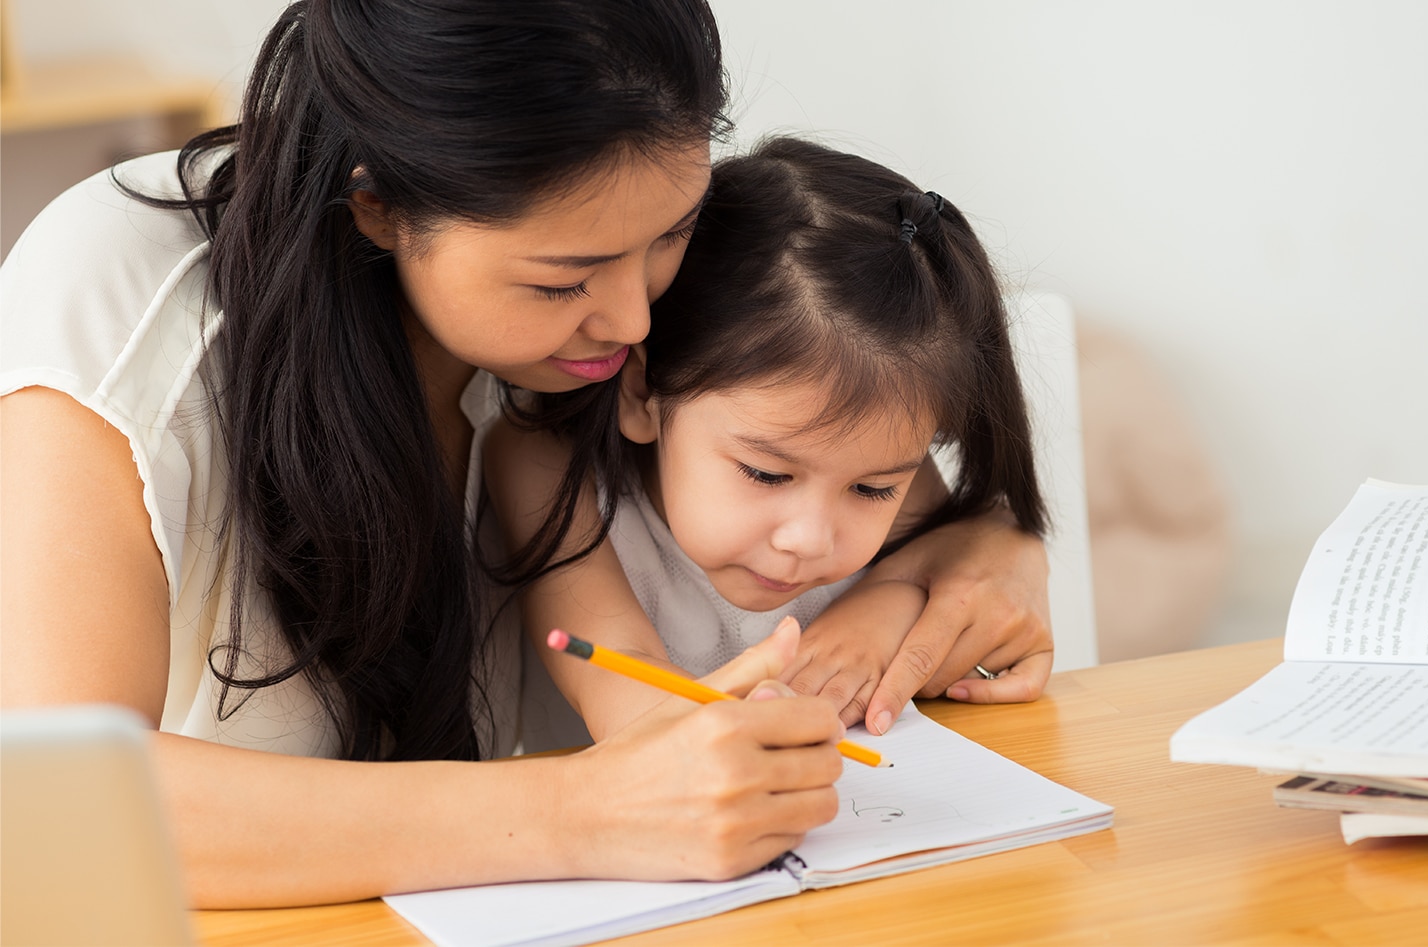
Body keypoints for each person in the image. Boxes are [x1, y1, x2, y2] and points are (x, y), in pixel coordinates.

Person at [0, 0, 1050, 908]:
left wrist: (968, 549)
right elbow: (43, 808)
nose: (637, 318)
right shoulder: (121, 301)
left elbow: (857, 450)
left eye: (674, 234)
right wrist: (583, 807)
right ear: (377, 203)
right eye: (562, 281)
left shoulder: (618, 304)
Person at [489, 136, 1047, 746]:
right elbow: (622, 680)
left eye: (872, 489)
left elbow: (961, 561)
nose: (809, 539)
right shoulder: (544, 465)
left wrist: (884, 608)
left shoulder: (882, 453)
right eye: (765, 474)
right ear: (642, 389)